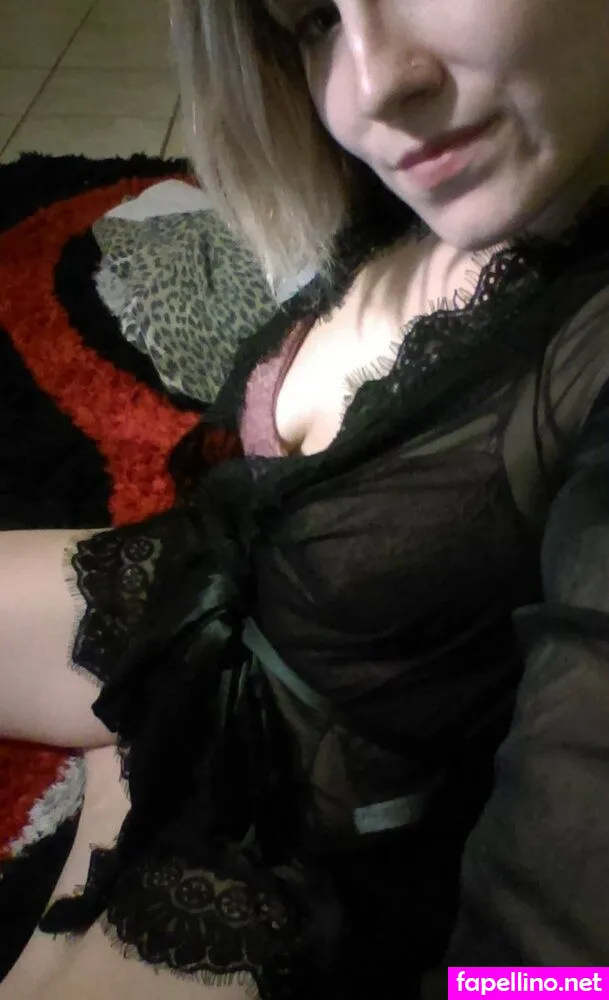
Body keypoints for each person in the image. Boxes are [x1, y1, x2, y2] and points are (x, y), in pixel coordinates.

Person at [3, 0, 609, 997]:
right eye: (314, 18)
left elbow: (557, 966)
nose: (370, 88)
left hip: (286, 830)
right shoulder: (449, 176)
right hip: (194, 611)